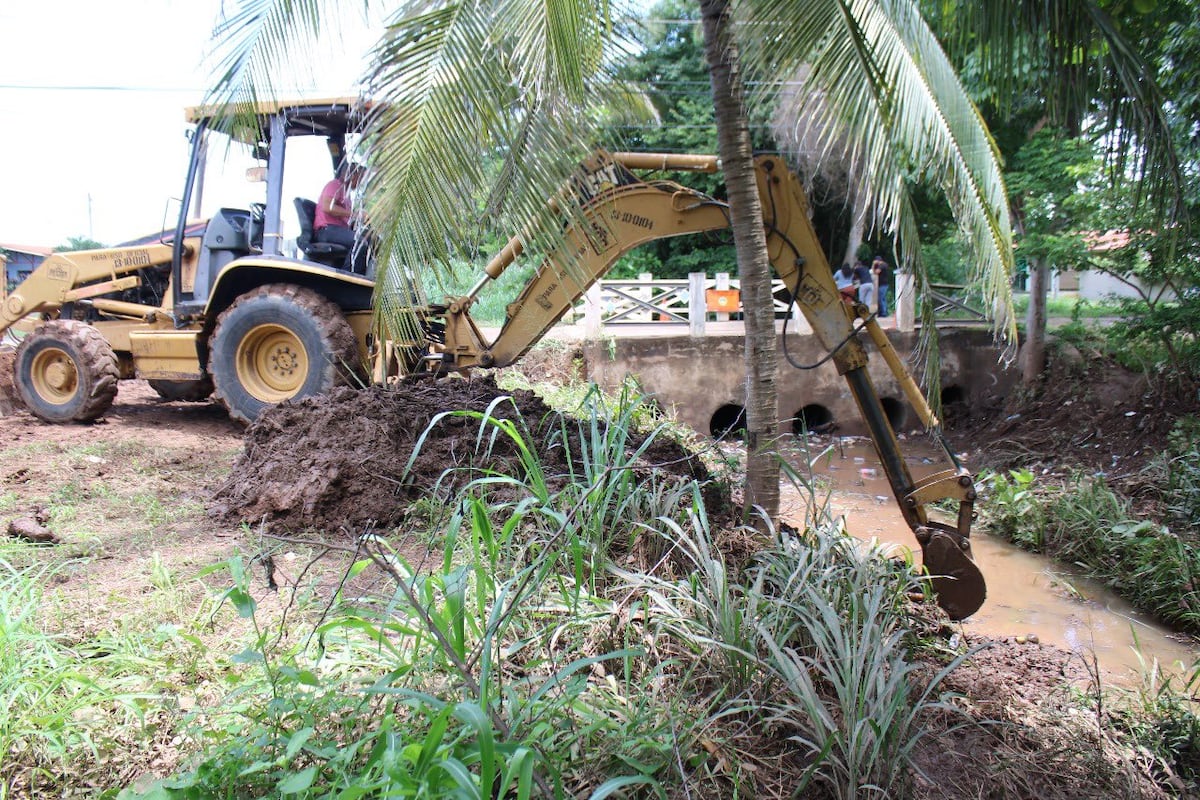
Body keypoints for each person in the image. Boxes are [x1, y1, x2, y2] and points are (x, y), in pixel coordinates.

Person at [314, 162, 369, 273]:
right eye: (360, 178)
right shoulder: (335, 185)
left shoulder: (347, 197)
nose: (361, 183)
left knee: (368, 240)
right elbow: (327, 207)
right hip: (327, 230)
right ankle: (348, 275)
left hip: (336, 230)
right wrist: (356, 214)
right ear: (352, 175)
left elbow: (346, 218)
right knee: (360, 243)